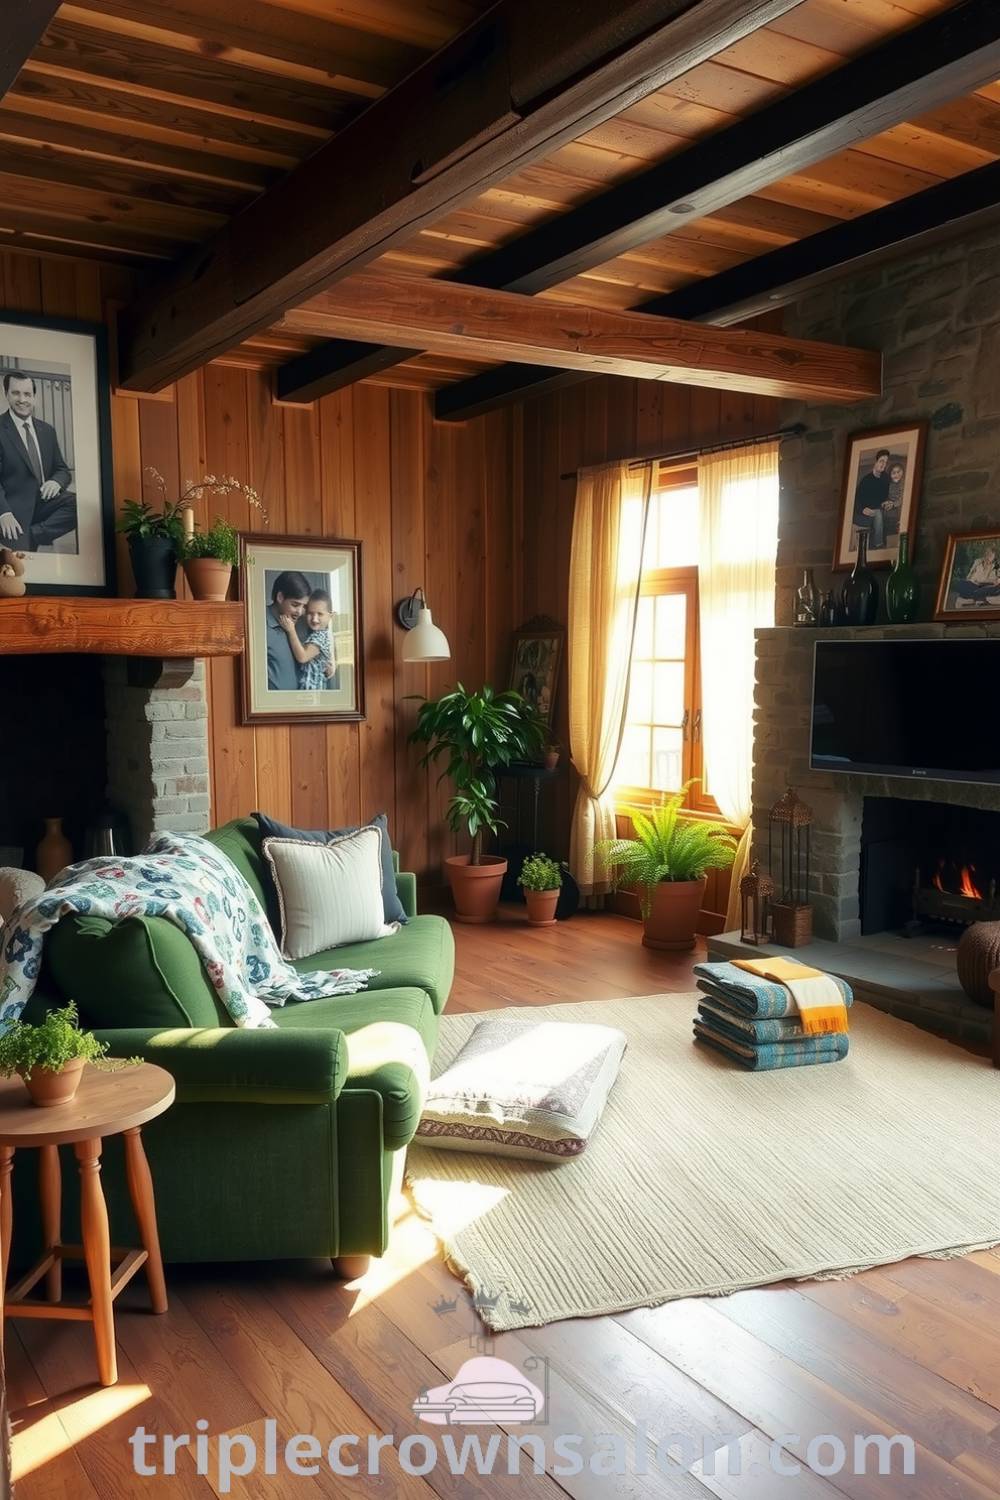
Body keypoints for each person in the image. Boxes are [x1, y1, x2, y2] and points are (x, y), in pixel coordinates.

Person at [0, 371, 77, 550]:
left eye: (27, 394)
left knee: (79, 506)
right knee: (21, 569)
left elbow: (62, 469)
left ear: (34, 397)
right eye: (16, 393)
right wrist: (3, 513)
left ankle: (35, 534)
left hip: (45, 503)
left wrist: (55, 481)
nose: (22, 399)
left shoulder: (47, 431)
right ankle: (27, 536)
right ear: (6, 394)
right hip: (13, 509)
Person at [279, 586, 339, 691]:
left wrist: (291, 630)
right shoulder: (319, 633)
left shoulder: (321, 636)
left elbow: (302, 657)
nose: (314, 619)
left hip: (311, 693)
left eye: (320, 614)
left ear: (331, 616)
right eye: (310, 613)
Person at [852, 447, 891, 549]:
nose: (883, 464)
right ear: (875, 462)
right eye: (881, 461)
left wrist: (886, 502)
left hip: (878, 509)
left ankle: (880, 545)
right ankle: (877, 545)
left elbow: (886, 496)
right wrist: (863, 509)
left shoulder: (886, 478)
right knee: (876, 515)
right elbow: (856, 499)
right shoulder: (866, 480)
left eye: (885, 462)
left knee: (879, 513)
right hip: (864, 509)